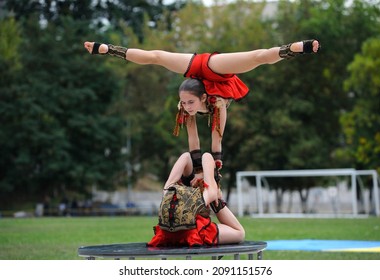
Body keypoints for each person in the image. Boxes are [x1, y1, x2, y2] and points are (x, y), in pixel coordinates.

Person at [84, 39, 320, 179]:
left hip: (209, 67)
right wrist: (200, 170)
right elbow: (194, 141)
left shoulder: (217, 104)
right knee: (155, 56)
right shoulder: (187, 108)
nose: (187, 109)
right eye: (184, 104)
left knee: (257, 57)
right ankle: (109, 49)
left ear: (203, 98)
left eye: (190, 104)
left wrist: (214, 167)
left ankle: (294, 48)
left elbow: (216, 142)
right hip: (195, 75)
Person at [147, 151, 245, 247]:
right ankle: (215, 202)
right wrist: (207, 178)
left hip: (166, 234)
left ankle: (213, 197)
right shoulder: (207, 193)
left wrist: (194, 176)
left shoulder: (168, 189)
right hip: (191, 233)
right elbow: (206, 156)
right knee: (240, 233)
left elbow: (185, 156)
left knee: (212, 195)